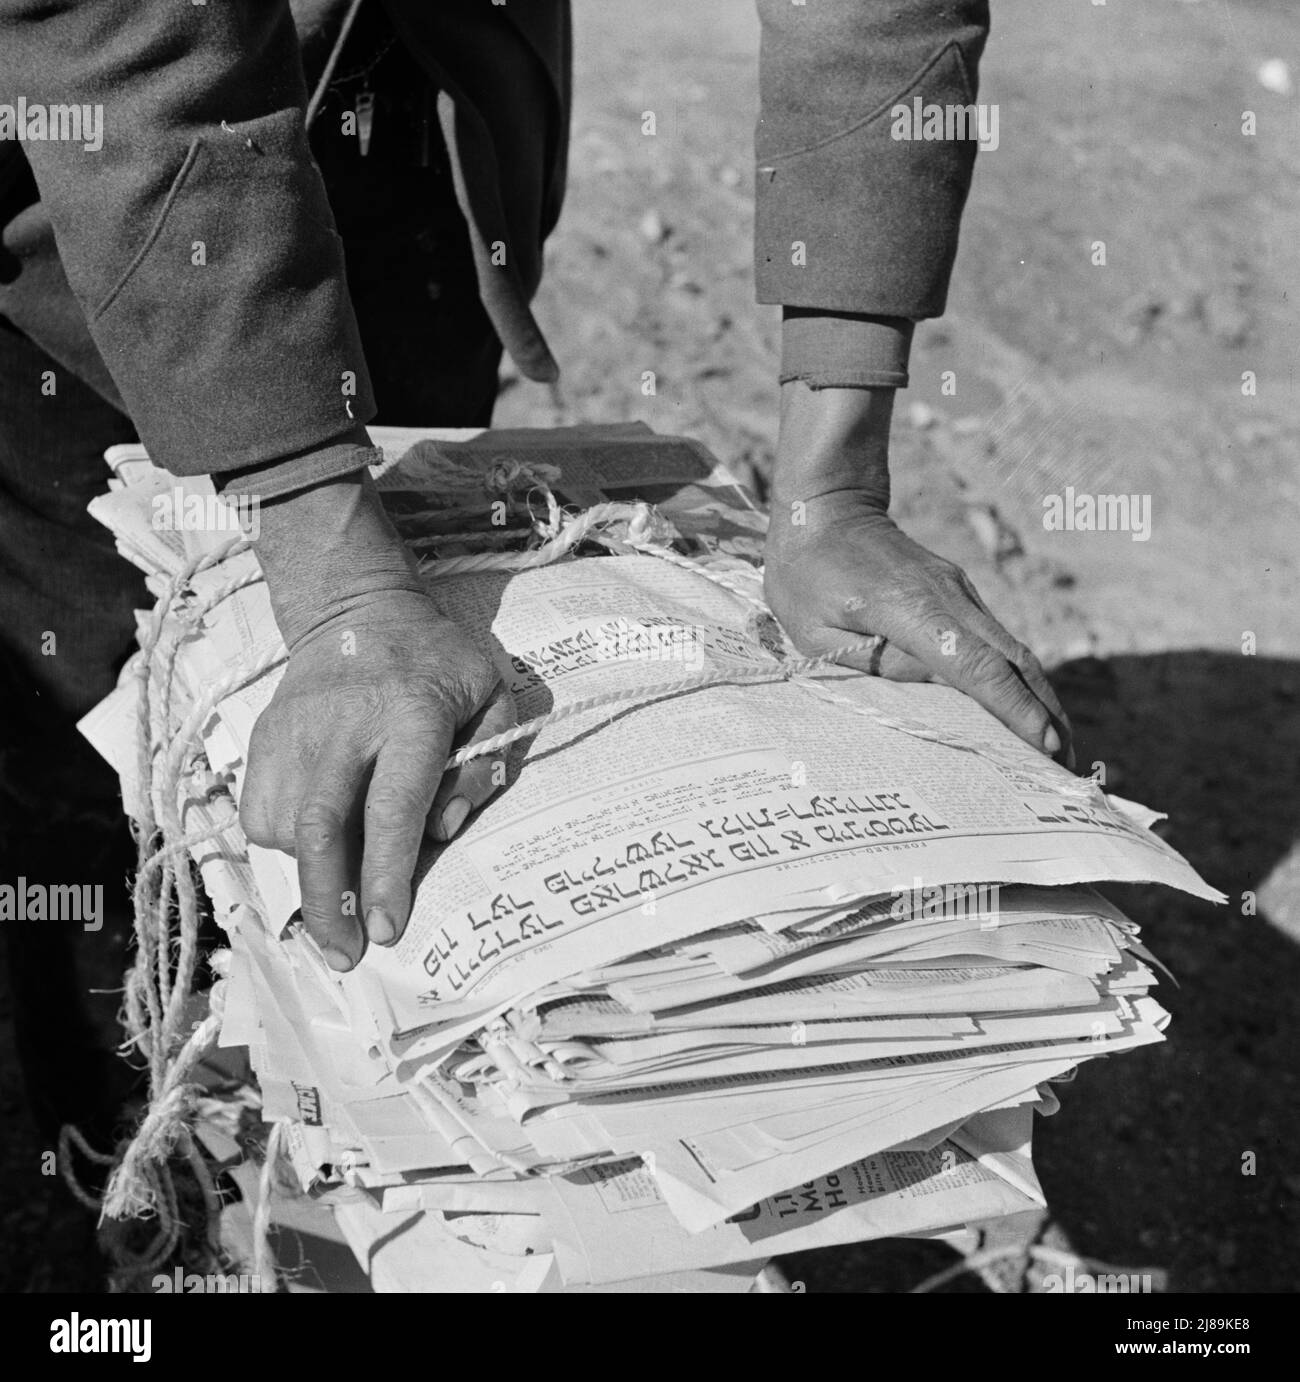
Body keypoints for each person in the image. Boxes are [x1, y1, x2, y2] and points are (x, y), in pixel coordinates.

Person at [0, 0, 1070, 1141]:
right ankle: (128, 1145)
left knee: (414, 666)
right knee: (106, 715)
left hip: (418, 82)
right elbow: (123, 36)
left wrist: (834, 485)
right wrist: (342, 585)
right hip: (86, 134)